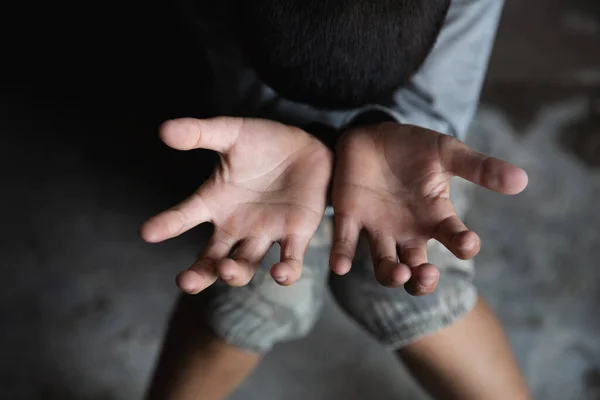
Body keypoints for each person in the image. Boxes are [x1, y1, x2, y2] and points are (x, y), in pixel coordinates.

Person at [141, 0, 532, 399]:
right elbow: (229, 68)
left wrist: (383, 133)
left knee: (414, 286)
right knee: (254, 289)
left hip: (402, 132)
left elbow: (442, 96)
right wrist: (294, 141)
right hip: (268, 124)